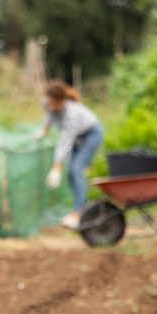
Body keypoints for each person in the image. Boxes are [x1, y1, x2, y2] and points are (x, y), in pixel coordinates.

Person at [37, 82, 104, 230]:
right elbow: (49, 114)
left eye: (55, 104)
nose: (52, 106)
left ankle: (78, 213)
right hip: (77, 137)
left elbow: (65, 141)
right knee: (70, 172)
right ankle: (81, 208)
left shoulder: (70, 114)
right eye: (50, 103)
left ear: (63, 101)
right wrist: (44, 130)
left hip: (91, 134)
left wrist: (56, 168)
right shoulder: (46, 102)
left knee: (76, 170)